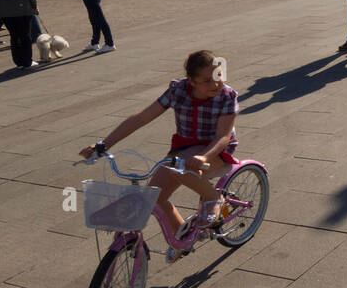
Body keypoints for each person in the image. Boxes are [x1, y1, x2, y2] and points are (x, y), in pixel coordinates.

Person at [80, 50, 237, 263]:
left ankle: (213, 197)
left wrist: (204, 156)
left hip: (215, 150)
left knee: (182, 167)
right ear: (191, 80)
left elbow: (223, 136)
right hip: (182, 149)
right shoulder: (177, 91)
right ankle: (183, 236)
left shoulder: (226, 96)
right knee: (154, 197)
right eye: (206, 80)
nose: (215, 84)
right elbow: (142, 117)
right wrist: (103, 144)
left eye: (219, 76)